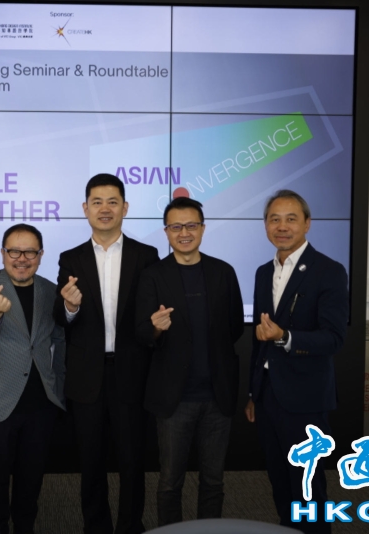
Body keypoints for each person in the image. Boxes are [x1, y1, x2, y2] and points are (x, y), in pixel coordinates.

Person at [54, 173, 159, 534]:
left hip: (131, 373)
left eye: (112, 201)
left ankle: (131, 526)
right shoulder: (71, 258)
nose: (105, 209)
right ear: (85, 209)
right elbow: (60, 318)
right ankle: (95, 527)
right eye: (97, 202)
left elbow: (150, 317)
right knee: (90, 462)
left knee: (133, 462)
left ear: (125, 208)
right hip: (87, 377)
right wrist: (69, 307)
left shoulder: (147, 256)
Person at [245, 190, 348, 534]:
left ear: (307, 224)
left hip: (305, 399)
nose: (282, 226)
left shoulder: (329, 271)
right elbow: (259, 339)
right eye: (274, 219)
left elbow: (333, 338)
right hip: (268, 395)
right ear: (265, 225)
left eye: (291, 219)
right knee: (278, 480)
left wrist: (285, 337)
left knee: (308, 486)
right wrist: (253, 392)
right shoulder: (263, 272)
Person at [136, 197, 243, 525]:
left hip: (217, 396)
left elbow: (235, 327)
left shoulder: (223, 272)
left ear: (203, 228)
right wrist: (156, 328)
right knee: (170, 481)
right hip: (174, 399)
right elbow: (142, 333)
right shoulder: (153, 275)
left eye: (191, 225)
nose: (184, 233)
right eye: (176, 227)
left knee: (214, 480)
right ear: (166, 232)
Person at [0, 223, 66, 534]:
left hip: (40, 404)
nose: (21, 258)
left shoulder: (50, 290)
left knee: (31, 482)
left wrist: (59, 388)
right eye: (14, 251)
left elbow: (58, 339)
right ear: (2, 253)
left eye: (30, 252)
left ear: (40, 255)